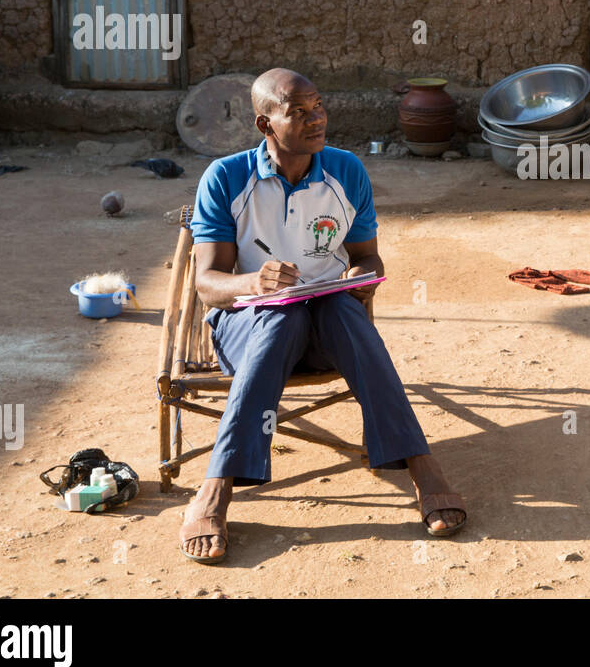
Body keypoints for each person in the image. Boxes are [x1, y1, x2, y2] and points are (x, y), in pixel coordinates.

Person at [179, 68, 466, 563]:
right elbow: (208, 283)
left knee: (337, 308)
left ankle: (424, 468)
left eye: (319, 108)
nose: (317, 121)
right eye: (299, 112)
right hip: (250, 328)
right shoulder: (226, 178)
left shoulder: (346, 170)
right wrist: (255, 283)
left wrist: (360, 279)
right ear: (265, 124)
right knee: (280, 317)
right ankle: (217, 487)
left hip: (326, 323)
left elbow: (366, 256)